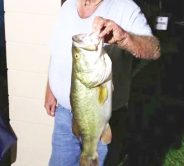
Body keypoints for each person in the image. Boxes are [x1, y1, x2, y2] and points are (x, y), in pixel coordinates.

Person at [44, 0, 160, 165]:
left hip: (103, 118)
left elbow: (154, 50)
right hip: (64, 113)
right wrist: (50, 89)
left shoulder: (125, 7)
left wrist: (124, 38)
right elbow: (57, 51)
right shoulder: (68, 5)